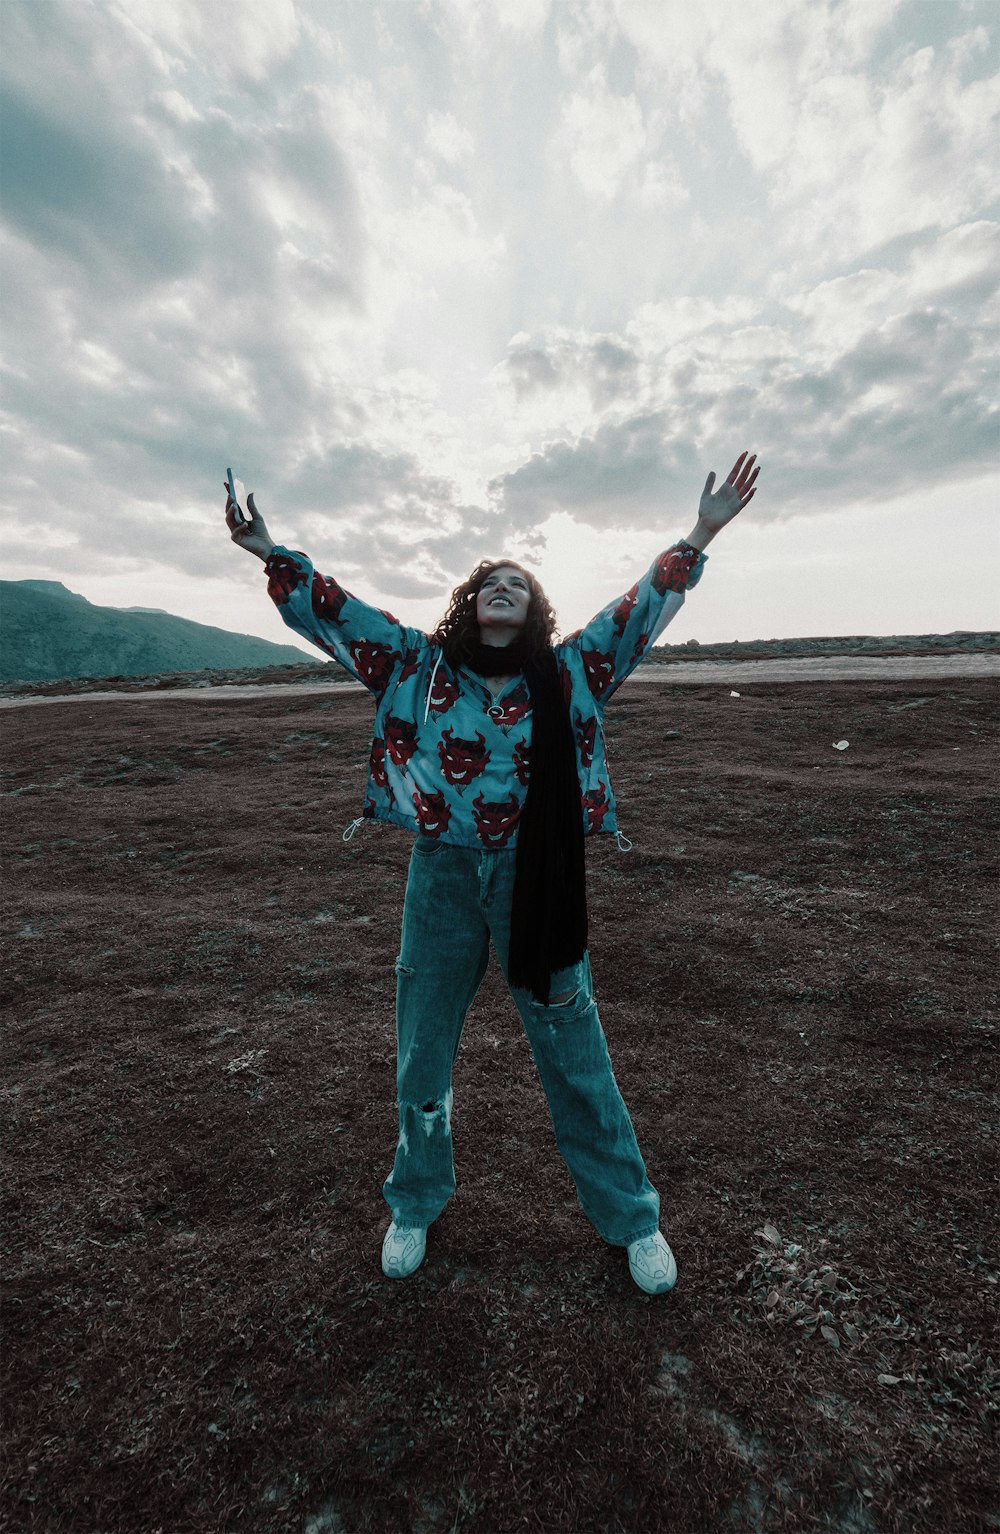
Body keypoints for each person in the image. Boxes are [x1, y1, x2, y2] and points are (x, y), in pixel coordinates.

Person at [224, 451, 760, 1293]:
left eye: (519, 580)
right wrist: (268, 551)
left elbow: (638, 612)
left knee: (573, 1048)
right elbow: (339, 615)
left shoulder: (574, 669)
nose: (503, 586)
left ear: (536, 605)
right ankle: (416, 1200)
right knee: (422, 1053)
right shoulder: (414, 666)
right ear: (470, 602)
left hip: (535, 880)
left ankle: (632, 1218)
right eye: (489, 581)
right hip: (442, 875)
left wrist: (700, 532)